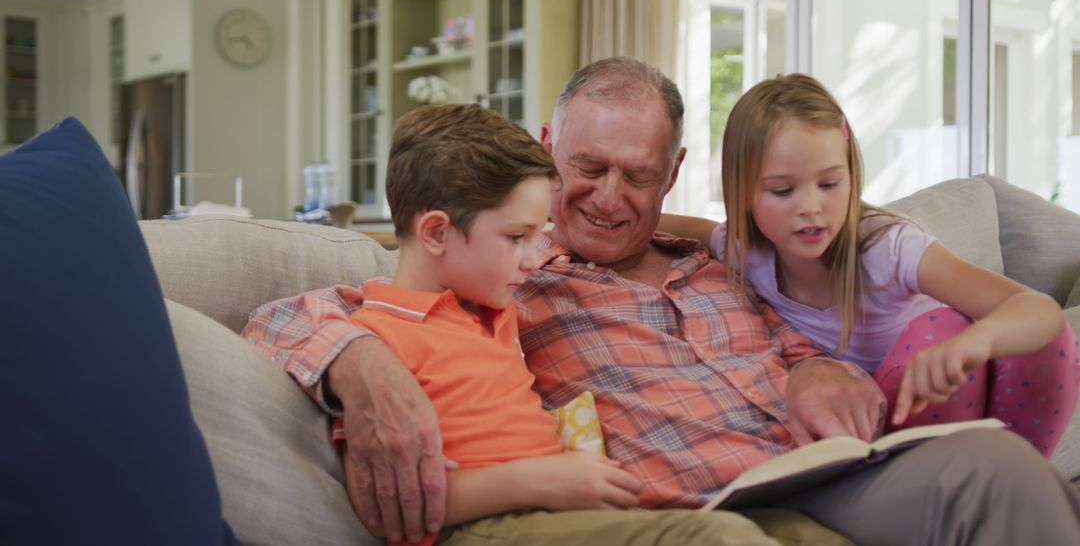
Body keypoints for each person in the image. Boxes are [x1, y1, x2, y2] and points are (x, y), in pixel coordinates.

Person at [244, 57, 1080, 545]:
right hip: (694, 505)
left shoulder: (728, 258)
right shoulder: (503, 267)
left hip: (814, 467)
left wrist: (816, 368)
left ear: (672, 174)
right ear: (547, 151)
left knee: (997, 471)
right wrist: (360, 366)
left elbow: (808, 308)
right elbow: (297, 309)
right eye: (588, 169)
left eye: (637, 176)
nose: (609, 198)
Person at [331, 103, 811, 546]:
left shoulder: (489, 311)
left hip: (562, 511)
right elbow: (378, 501)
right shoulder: (374, 340)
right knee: (720, 540)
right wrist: (540, 480)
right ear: (436, 232)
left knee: (807, 533)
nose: (531, 258)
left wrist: (711, 233)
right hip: (485, 527)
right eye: (517, 238)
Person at [658, 73, 1079, 456]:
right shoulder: (743, 250)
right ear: (742, 192)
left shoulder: (887, 248)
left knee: (969, 333)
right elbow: (657, 221)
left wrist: (974, 343)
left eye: (829, 184)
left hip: (960, 391)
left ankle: (1014, 491)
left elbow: (1038, 310)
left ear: (851, 174)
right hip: (881, 430)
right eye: (783, 191)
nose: (811, 207)